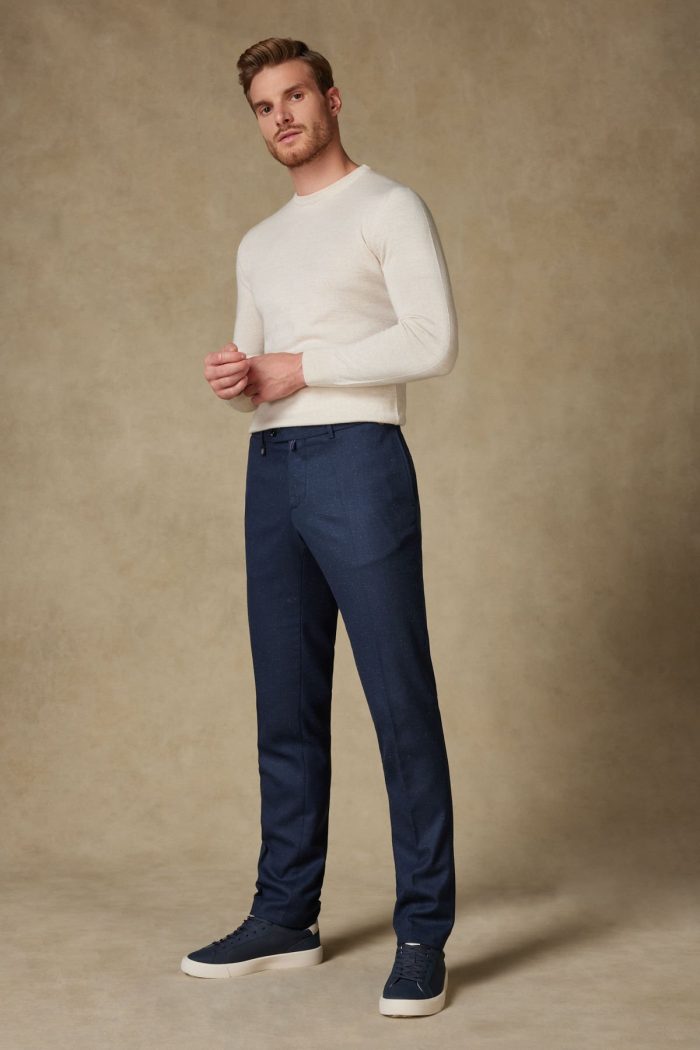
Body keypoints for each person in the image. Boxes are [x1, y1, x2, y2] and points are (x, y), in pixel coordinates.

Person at [180, 36, 458, 1018]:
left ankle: (422, 933)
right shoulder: (258, 242)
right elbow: (263, 373)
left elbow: (432, 341)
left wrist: (305, 365)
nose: (281, 117)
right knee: (286, 703)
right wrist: (238, 380)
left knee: (398, 698)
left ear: (332, 100)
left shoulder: (389, 207)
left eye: (294, 96)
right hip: (274, 469)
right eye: (264, 106)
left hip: (359, 463)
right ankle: (285, 913)